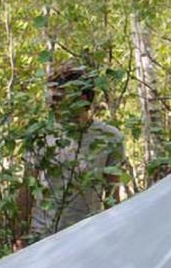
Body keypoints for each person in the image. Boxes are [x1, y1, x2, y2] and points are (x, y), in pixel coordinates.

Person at [17, 63, 126, 245]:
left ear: (82, 99)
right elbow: (27, 189)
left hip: (87, 238)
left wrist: (113, 238)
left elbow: (112, 195)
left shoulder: (110, 138)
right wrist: (19, 235)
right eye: (50, 98)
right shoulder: (40, 135)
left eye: (58, 98)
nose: (51, 105)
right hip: (42, 238)